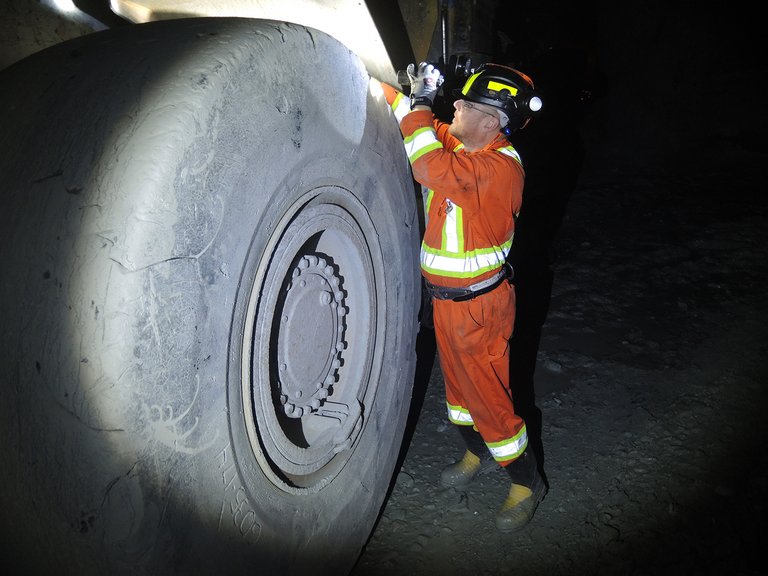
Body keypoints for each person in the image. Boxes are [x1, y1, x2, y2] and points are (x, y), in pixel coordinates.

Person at [381, 62, 546, 531]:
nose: (454, 105)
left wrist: (420, 102)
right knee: (457, 395)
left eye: (467, 104)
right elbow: (415, 120)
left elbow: (425, 162)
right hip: (449, 305)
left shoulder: (497, 169)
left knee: (489, 397)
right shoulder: (464, 144)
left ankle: (525, 480)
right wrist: (382, 81)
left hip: (480, 309)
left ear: (492, 122)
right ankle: (474, 453)